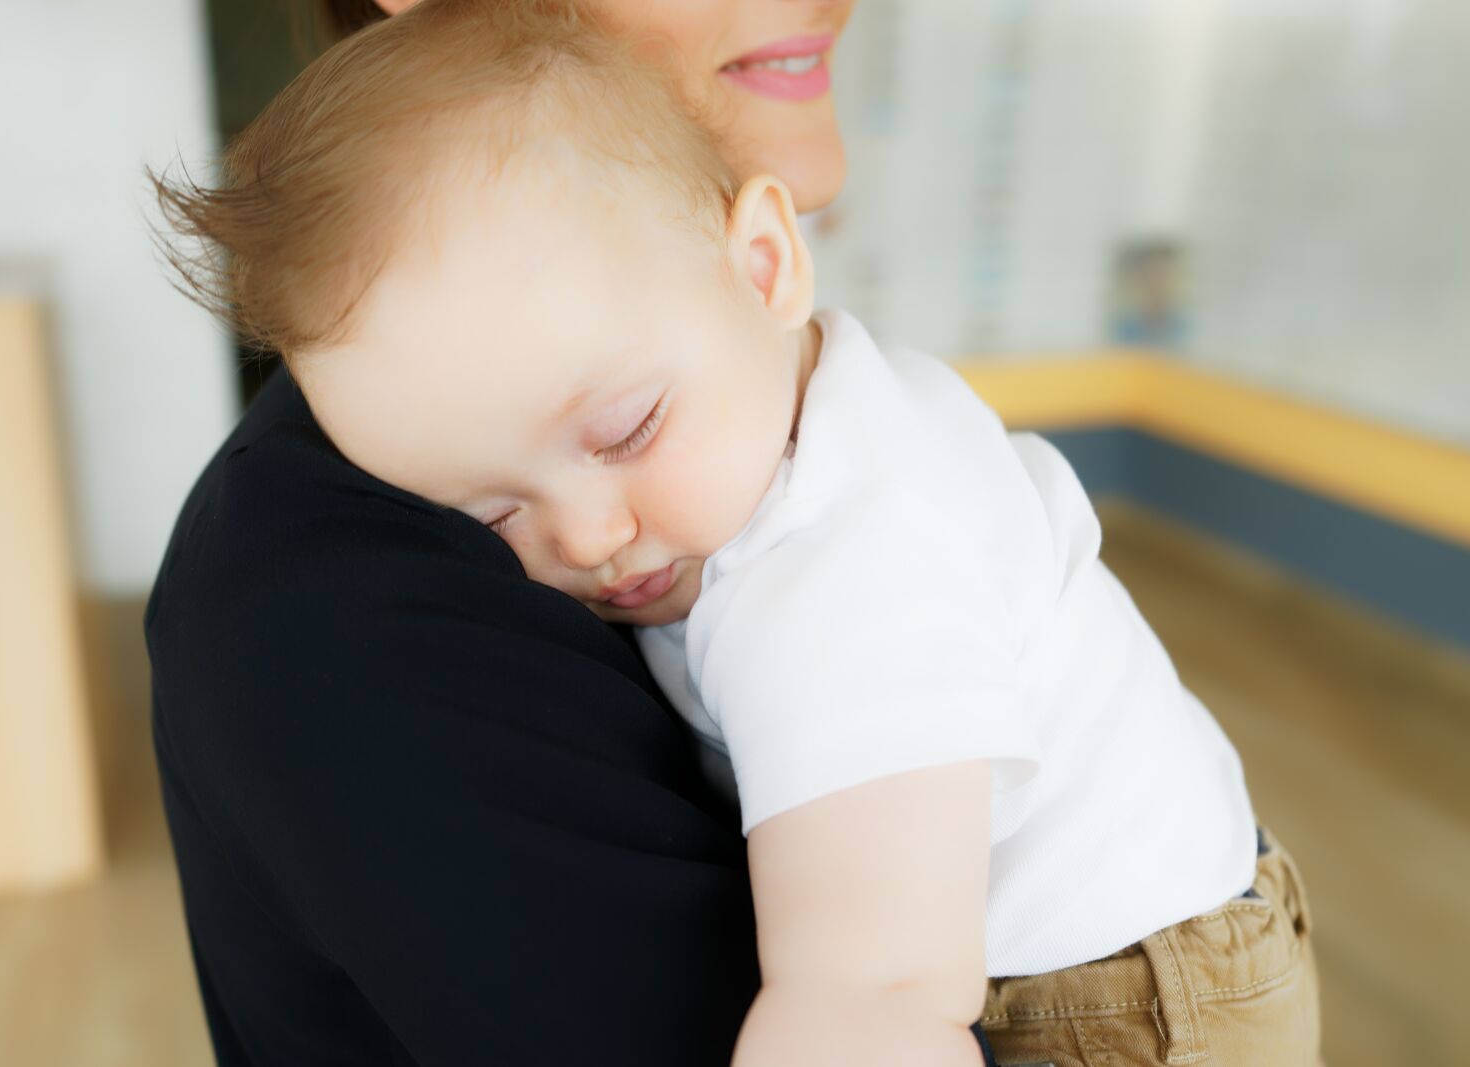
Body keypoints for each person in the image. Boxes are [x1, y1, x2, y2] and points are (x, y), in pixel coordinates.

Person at [152, 1, 1323, 1064]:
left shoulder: (850, 549)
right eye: (491, 512)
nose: (591, 534)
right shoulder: (326, 584)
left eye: (624, 430)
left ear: (764, 266)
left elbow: (875, 986)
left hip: (1121, 994)